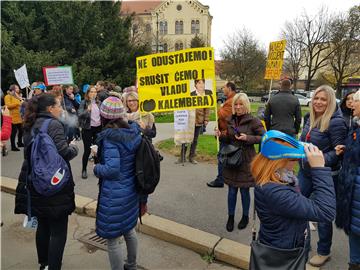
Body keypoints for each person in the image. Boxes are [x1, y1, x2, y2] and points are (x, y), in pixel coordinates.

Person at [251, 130, 336, 264]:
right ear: (279, 161)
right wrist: (319, 169)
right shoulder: (276, 192)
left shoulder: (277, 177)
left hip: (285, 242)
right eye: (294, 158)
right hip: (284, 254)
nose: (297, 162)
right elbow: (326, 212)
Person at [14, 93, 78, 270]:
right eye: (58, 105)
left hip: (34, 181)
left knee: (43, 225)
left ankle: (44, 264)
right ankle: (54, 266)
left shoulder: (30, 123)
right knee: (58, 230)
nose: (60, 108)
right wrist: (74, 148)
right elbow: (64, 152)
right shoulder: (54, 124)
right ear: (50, 108)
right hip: (54, 183)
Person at [298, 85, 347, 267]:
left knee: (323, 216)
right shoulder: (310, 117)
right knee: (299, 208)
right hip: (304, 171)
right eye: (316, 98)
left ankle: (323, 251)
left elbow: (340, 153)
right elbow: (306, 143)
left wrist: (317, 160)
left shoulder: (336, 122)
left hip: (325, 175)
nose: (318, 102)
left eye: (323, 99)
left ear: (331, 101)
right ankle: (303, 243)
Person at [93, 96, 141, 270]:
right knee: (129, 229)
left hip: (114, 194)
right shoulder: (133, 131)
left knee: (112, 239)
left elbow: (112, 169)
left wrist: (96, 167)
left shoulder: (110, 137)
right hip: (131, 189)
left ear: (105, 116)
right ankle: (132, 264)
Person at [217, 93, 264, 231]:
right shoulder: (229, 119)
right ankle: (230, 217)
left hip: (246, 160)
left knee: (244, 191)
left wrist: (248, 138)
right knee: (231, 191)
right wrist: (221, 136)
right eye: (236, 104)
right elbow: (228, 138)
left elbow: (263, 137)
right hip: (231, 159)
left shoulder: (253, 121)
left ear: (246, 105)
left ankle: (245, 216)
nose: (238, 107)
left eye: (241, 104)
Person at [335, 90, 360, 270]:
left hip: (356, 189)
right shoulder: (356, 126)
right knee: (353, 231)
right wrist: (347, 149)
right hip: (352, 190)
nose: (351, 104)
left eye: (355, 101)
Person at [123, 91, 156, 215]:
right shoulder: (123, 117)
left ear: (138, 101)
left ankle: (142, 204)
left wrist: (145, 129)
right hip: (129, 151)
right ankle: (131, 204)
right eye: (129, 100)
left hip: (144, 152)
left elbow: (153, 134)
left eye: (134, 100)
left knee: (143, 178)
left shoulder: (147, 115)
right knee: (131, 178)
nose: (131, 103)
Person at [207, 82, 237, 188]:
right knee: (226, 156)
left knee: (222, 156)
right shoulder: (230, 100)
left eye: (224, 87)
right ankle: (225, 177)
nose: (222, 89)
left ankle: (221, 179)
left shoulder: (231, 101)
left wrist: (220, 107)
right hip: (225, 132)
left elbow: (223, 115)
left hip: (226, 134)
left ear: (229, 88)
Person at [78, 85, 102, 179]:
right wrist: (87, 110)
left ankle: (96, 169)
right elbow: (79, 114)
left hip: (98, 128)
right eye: (91, 92)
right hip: (87, 129)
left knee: (96, 150)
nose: (93, 94)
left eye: (95, 92)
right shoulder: (84, 103)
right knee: (87, 150)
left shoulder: (99, 102)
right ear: (88, 93)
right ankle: (84, 170)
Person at [4, 84, 24, 151]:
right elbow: (8, 106)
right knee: (14, 131)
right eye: (17, 88)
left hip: (18, 117)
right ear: (13, 89)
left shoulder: (16, 96)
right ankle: (13, 146)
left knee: (21, 130)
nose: (18, 89)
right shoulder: (7, 96)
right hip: (11, 117)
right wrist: (18, 104)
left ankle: (20, 142)